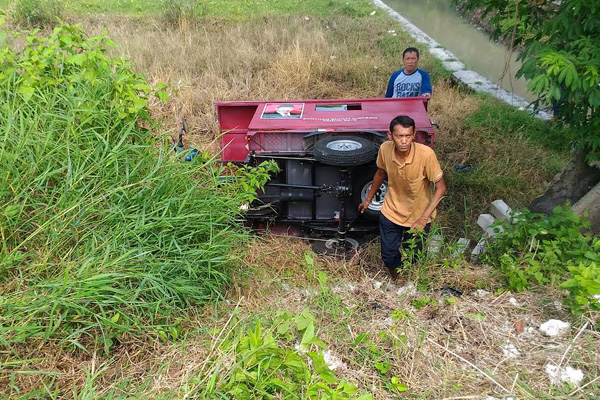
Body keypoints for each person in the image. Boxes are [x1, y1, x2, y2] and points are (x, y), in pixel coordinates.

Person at [358, 115, 446, 279]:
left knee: (414, 255)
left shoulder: (426, 155)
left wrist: (423, 217)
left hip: (418, 217)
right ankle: (397, 278)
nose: (404, 141)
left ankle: (413, 278)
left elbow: (441, 188)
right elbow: (380, 173)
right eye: (399, 136)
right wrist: (368, 199)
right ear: (390, 135)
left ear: (414, 135)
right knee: (389, 255)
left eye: (408, 136)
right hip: (391, 212)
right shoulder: (385, 149)